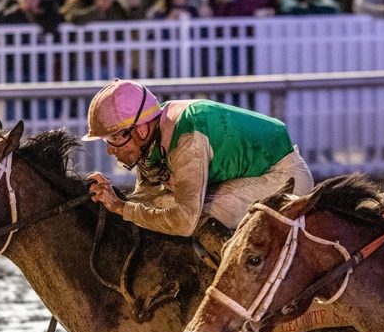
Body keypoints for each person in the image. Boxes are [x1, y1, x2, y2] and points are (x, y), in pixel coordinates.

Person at [83, 79, 314, 236]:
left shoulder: (186, 136)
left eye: (112, 139)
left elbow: (185, 221)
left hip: (283, 178)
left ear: (140, 130)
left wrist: (121, 207)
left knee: (198, 216)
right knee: (160, 206)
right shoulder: (152, 130)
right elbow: (146, 200)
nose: (110, 151)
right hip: (255, 173)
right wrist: (111, 199)